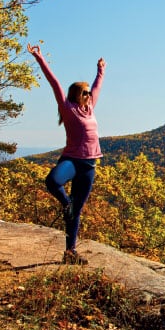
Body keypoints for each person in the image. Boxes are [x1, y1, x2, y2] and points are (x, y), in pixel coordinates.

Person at [28, 44, 105, 263]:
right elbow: (54, 82)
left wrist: (101, 69)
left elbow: (98, 87)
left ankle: (70, 252)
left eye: (89, 93)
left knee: (75, 212)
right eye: (85, 92)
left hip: (89, 165)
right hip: (72, 160)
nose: (89, 95)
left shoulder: (90, 108)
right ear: (76, 95)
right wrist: (39, 58)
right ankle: (66, 203)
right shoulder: (67, 107)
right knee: (52, 181)